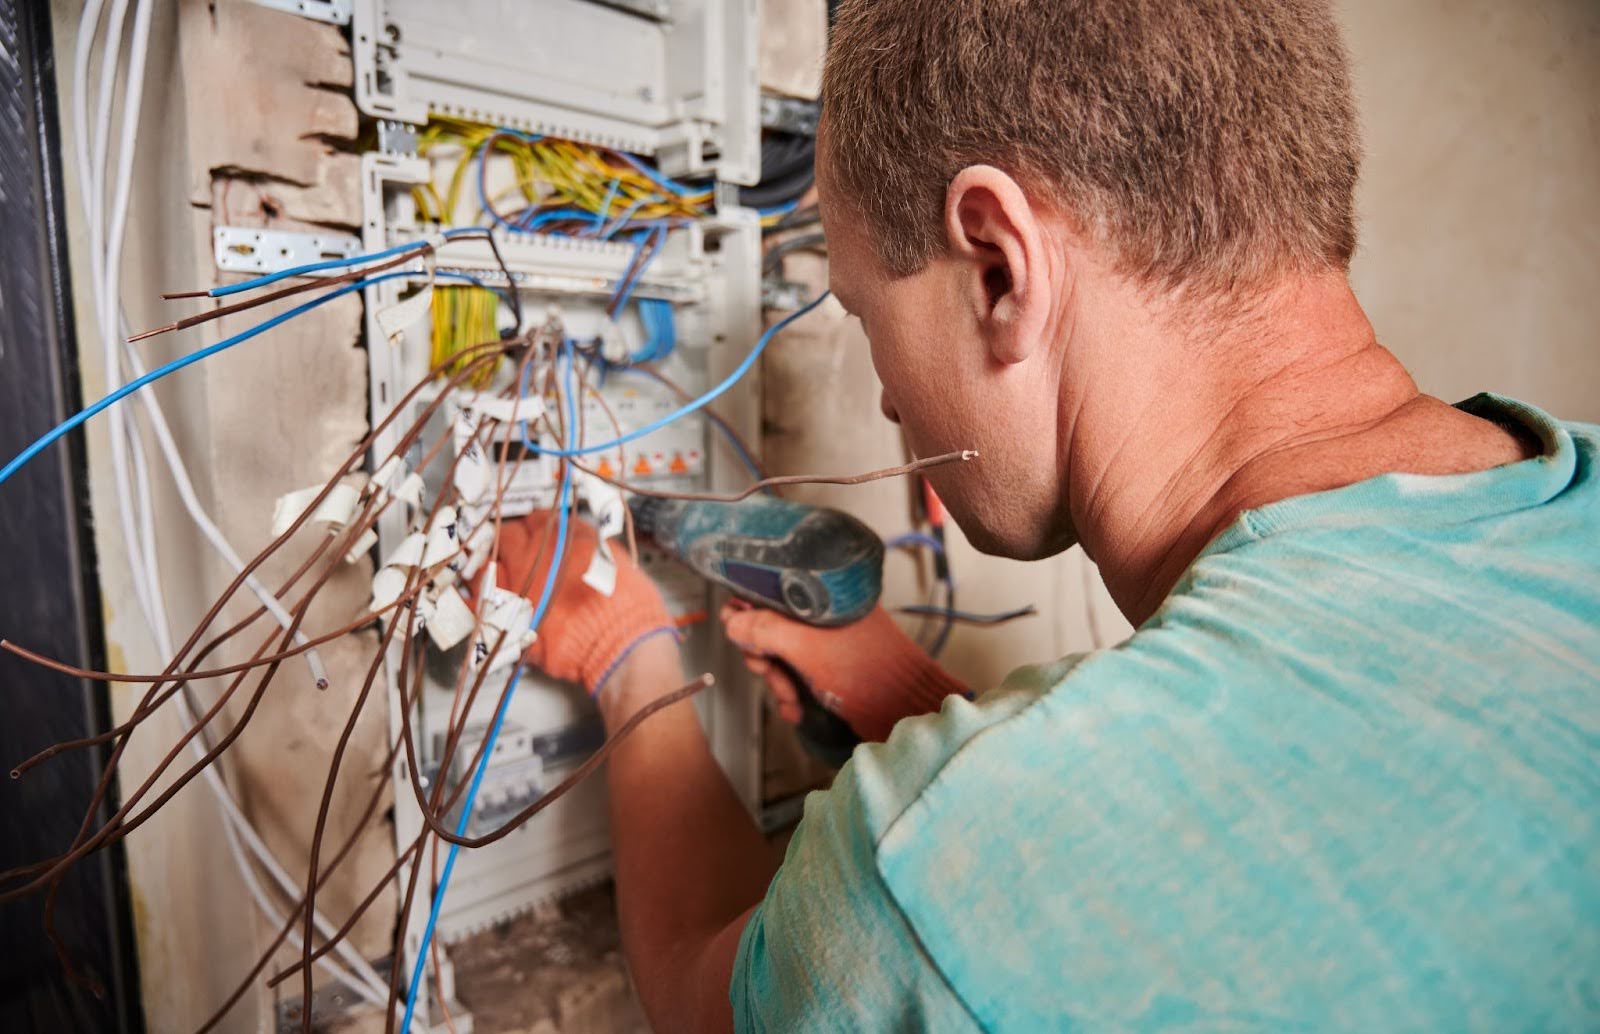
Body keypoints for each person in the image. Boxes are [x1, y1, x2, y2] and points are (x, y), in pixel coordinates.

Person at [490, 0, 1600, 1028]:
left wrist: (626, 651)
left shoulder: (949, 852)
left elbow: (698, 987)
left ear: (996, 268)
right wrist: (932, 721)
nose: (885, 393)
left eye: (868, 314)